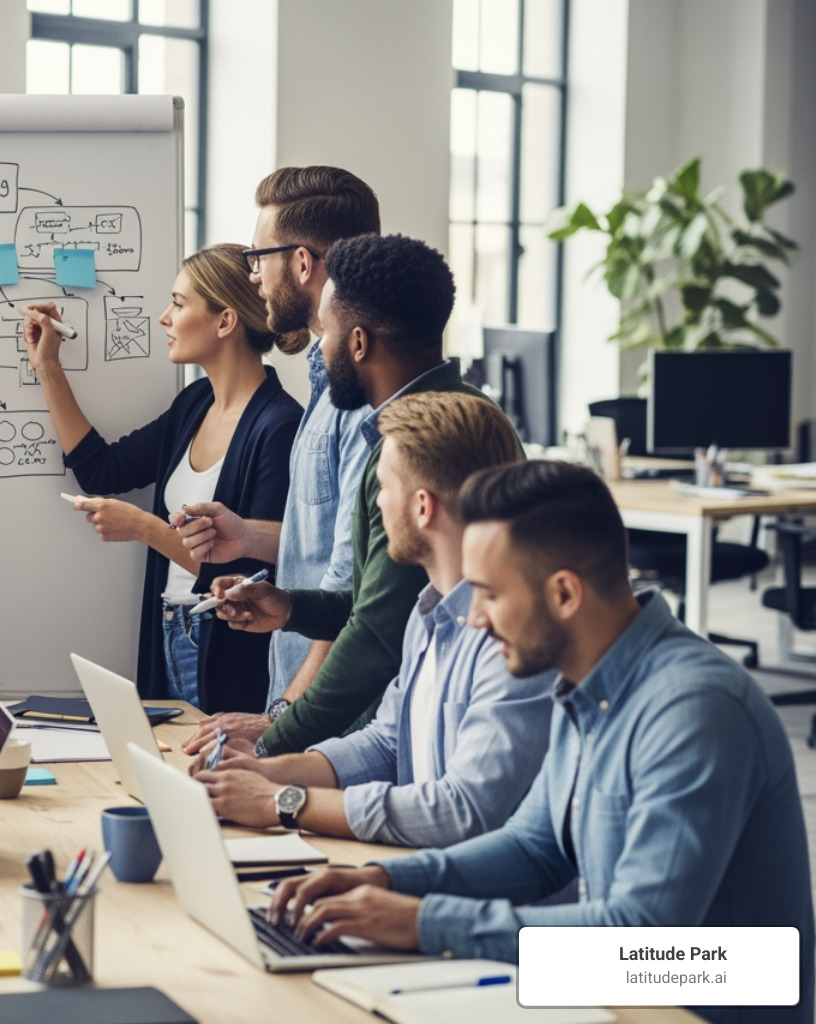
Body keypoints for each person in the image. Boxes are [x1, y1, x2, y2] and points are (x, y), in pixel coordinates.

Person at [269, 461, 813, 1024]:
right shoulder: (587, 681)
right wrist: (385, 880)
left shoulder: (693, 710)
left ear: (564, 594)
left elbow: (642, 940)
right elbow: (534, 848)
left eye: (489, 594)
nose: (475, 619)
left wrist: (424, 923)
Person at [193, 392, 553, 848]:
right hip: (420, 868)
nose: (376, 505)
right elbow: (386, 743)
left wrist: (281, 800)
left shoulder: (512, 642)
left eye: (383, 487)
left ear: (422, 507)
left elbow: (462, 811)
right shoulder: (426, 613)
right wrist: (263, 772)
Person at [193, 233, 498, 756]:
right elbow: (373, 599)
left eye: (327, 332)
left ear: (358, 343)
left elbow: (377, 632)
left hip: (434, 741)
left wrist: (271, 741)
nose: (321, 351)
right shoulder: (420, 422)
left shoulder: (427, 442)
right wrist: (290, 607)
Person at [23, 244, 302, 712]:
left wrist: (144, 528)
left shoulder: (280, 425)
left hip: (225, 652)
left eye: (178, 303)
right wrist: (47, 366)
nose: (163, 317)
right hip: (169, 630)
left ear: (225, 321)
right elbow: (101, 469)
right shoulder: (194, 404)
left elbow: (253, 576)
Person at [175, 167, 379, 750]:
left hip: (326, 727)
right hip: (300, 711)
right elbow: (325, 542)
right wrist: (248, 536)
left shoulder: (360, 399)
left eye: (258, 257)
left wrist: (283, 717)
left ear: (303, 263)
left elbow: (352, 592)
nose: (253, 274)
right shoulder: (324, 382)